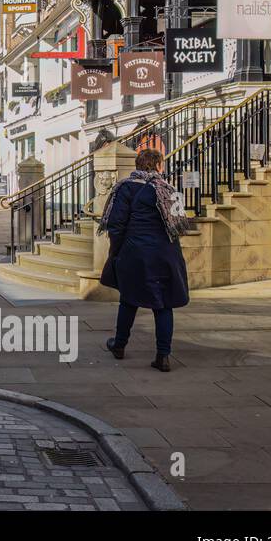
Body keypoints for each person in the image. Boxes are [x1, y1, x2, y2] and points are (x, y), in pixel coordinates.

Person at [100, 148, 190, 373]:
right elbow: (178, 224)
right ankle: (163, 356)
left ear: (138, 166)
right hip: (166, 254)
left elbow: (116, 225)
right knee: (163, 304)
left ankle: (119, 345)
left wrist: (115, 252)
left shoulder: (126, 187)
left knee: (129, 300)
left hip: (136, 252)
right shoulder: (167, 189)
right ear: (159, 165)